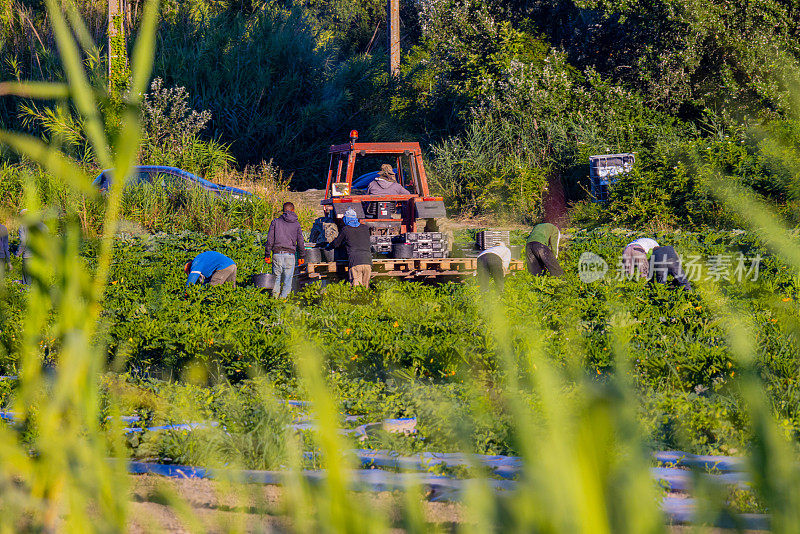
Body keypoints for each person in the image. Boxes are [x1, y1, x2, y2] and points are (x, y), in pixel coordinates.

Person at [265, 202, 305, 298]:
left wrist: (267, 255)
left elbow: (270, 240)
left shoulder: (275, 222)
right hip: (290, 255)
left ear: (283, 211)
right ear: (293, 210)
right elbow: (300, 242)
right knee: (288, 280)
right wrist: (302, 256)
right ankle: (283, 301)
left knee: (276, 278)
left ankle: (274, 300)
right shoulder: (296, 224)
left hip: (276, 254)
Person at [327, 208, 372, 287]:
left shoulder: (346, 229)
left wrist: (328, 246)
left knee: (356, 288)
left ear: (346, 219)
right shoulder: (365, 228)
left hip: (355, 262)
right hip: (368, 262)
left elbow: (336, 244)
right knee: (365, 288)